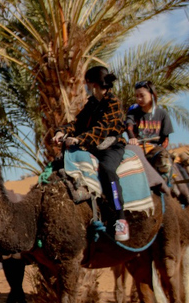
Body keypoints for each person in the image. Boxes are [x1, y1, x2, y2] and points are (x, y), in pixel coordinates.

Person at [53, 66, 129, 242]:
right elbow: (77, 123)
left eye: (86, 83)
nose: (85, 86)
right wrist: (61, 132)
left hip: (111, 147)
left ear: (93, 84)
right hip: (91, 147)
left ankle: (120, 218)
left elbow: (103, 128)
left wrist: (80, 140)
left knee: (107, 170)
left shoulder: (113, 103)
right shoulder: (92, 103)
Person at [126, 80, 174, 150]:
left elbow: (165, 140)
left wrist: (160, 150)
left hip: (156, 150)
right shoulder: (132, 112)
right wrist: (132, 138)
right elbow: (129, 127)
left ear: (152, 95)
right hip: (137, 149)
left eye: (142, 96)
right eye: (137, 96)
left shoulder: (162, 114)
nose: (139, 99)